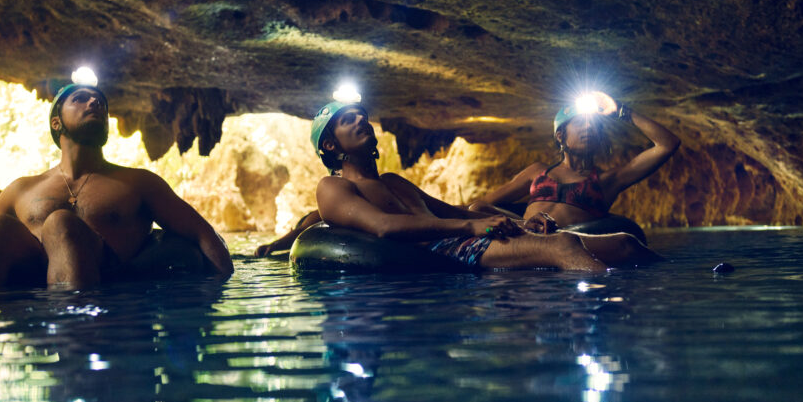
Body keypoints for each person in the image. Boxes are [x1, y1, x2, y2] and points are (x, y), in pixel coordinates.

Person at [310, 100, 659, 271]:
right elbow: (383, 227)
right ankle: (613, 307)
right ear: (329, 145)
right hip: (441, 250)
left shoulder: (392, 182)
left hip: (460, 237)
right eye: (346, 120)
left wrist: (522, 224)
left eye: (360, 115)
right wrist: (472, 225)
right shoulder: (332, 187)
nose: (360, 119)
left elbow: (452, 210)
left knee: (625, 244)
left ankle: (688, 280)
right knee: (561, 246)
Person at [0, 79, 233, 290]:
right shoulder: (22, 189)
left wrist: (221, 294)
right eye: (80, 99)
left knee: (60, 223)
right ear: (56, 122)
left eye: (99, 102)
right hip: (33, 292)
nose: (94, 104)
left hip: (105, 291)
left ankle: (76, 330)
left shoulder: (138, 182)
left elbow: (202, 233)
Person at [471, 91, 679, 236]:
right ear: (560, 136)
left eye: (595, 125)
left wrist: (621, 111)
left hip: (567, 243)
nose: (589, 127)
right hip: (523, 234)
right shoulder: (538, 172)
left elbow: (667, 144)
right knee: (476, 206)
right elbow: (484, 204)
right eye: (580, 123)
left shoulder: (608, 181)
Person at [254, 210, 322, 257]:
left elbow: (300, 232)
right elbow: (299, 233)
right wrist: (273, 245)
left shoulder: (317, 216)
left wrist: (273, 245)